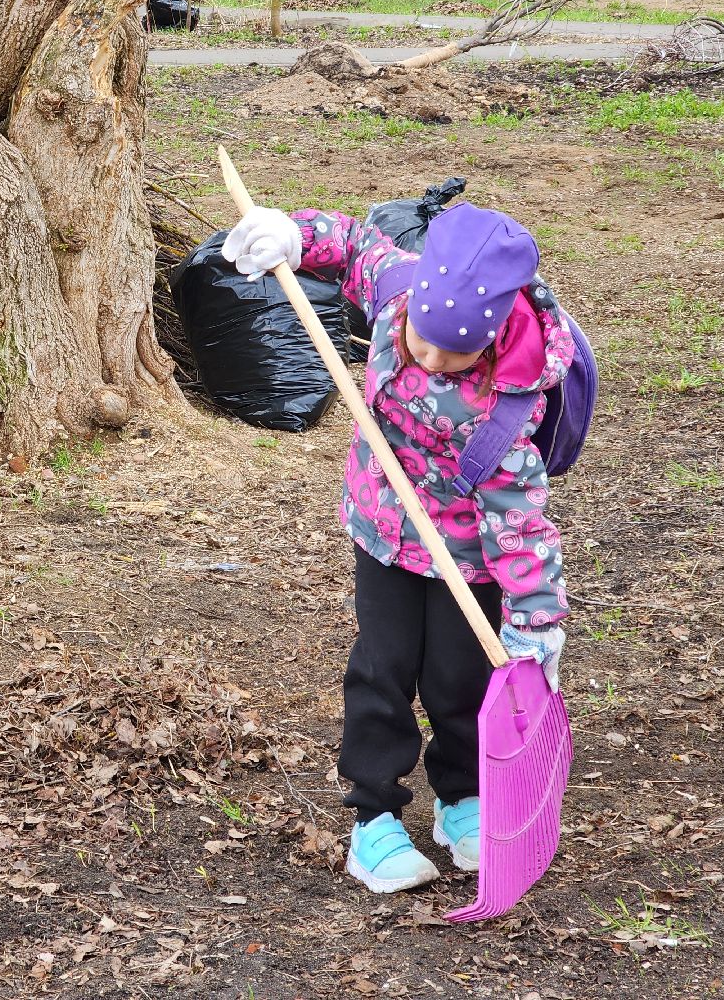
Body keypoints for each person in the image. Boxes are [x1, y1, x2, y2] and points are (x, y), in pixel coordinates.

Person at [223, 203, 573, 894]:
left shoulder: (506, 409)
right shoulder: (399, 285)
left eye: (457, 353)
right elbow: (354, 245)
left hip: (467, 557)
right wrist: (295, 236)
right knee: (382, 670)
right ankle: (374, 817)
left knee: (460, 679)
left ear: (497, 333)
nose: (432, 359)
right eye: (423, 338)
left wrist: (536, 628)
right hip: (383, 529)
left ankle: (464, 799)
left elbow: (523, 530)